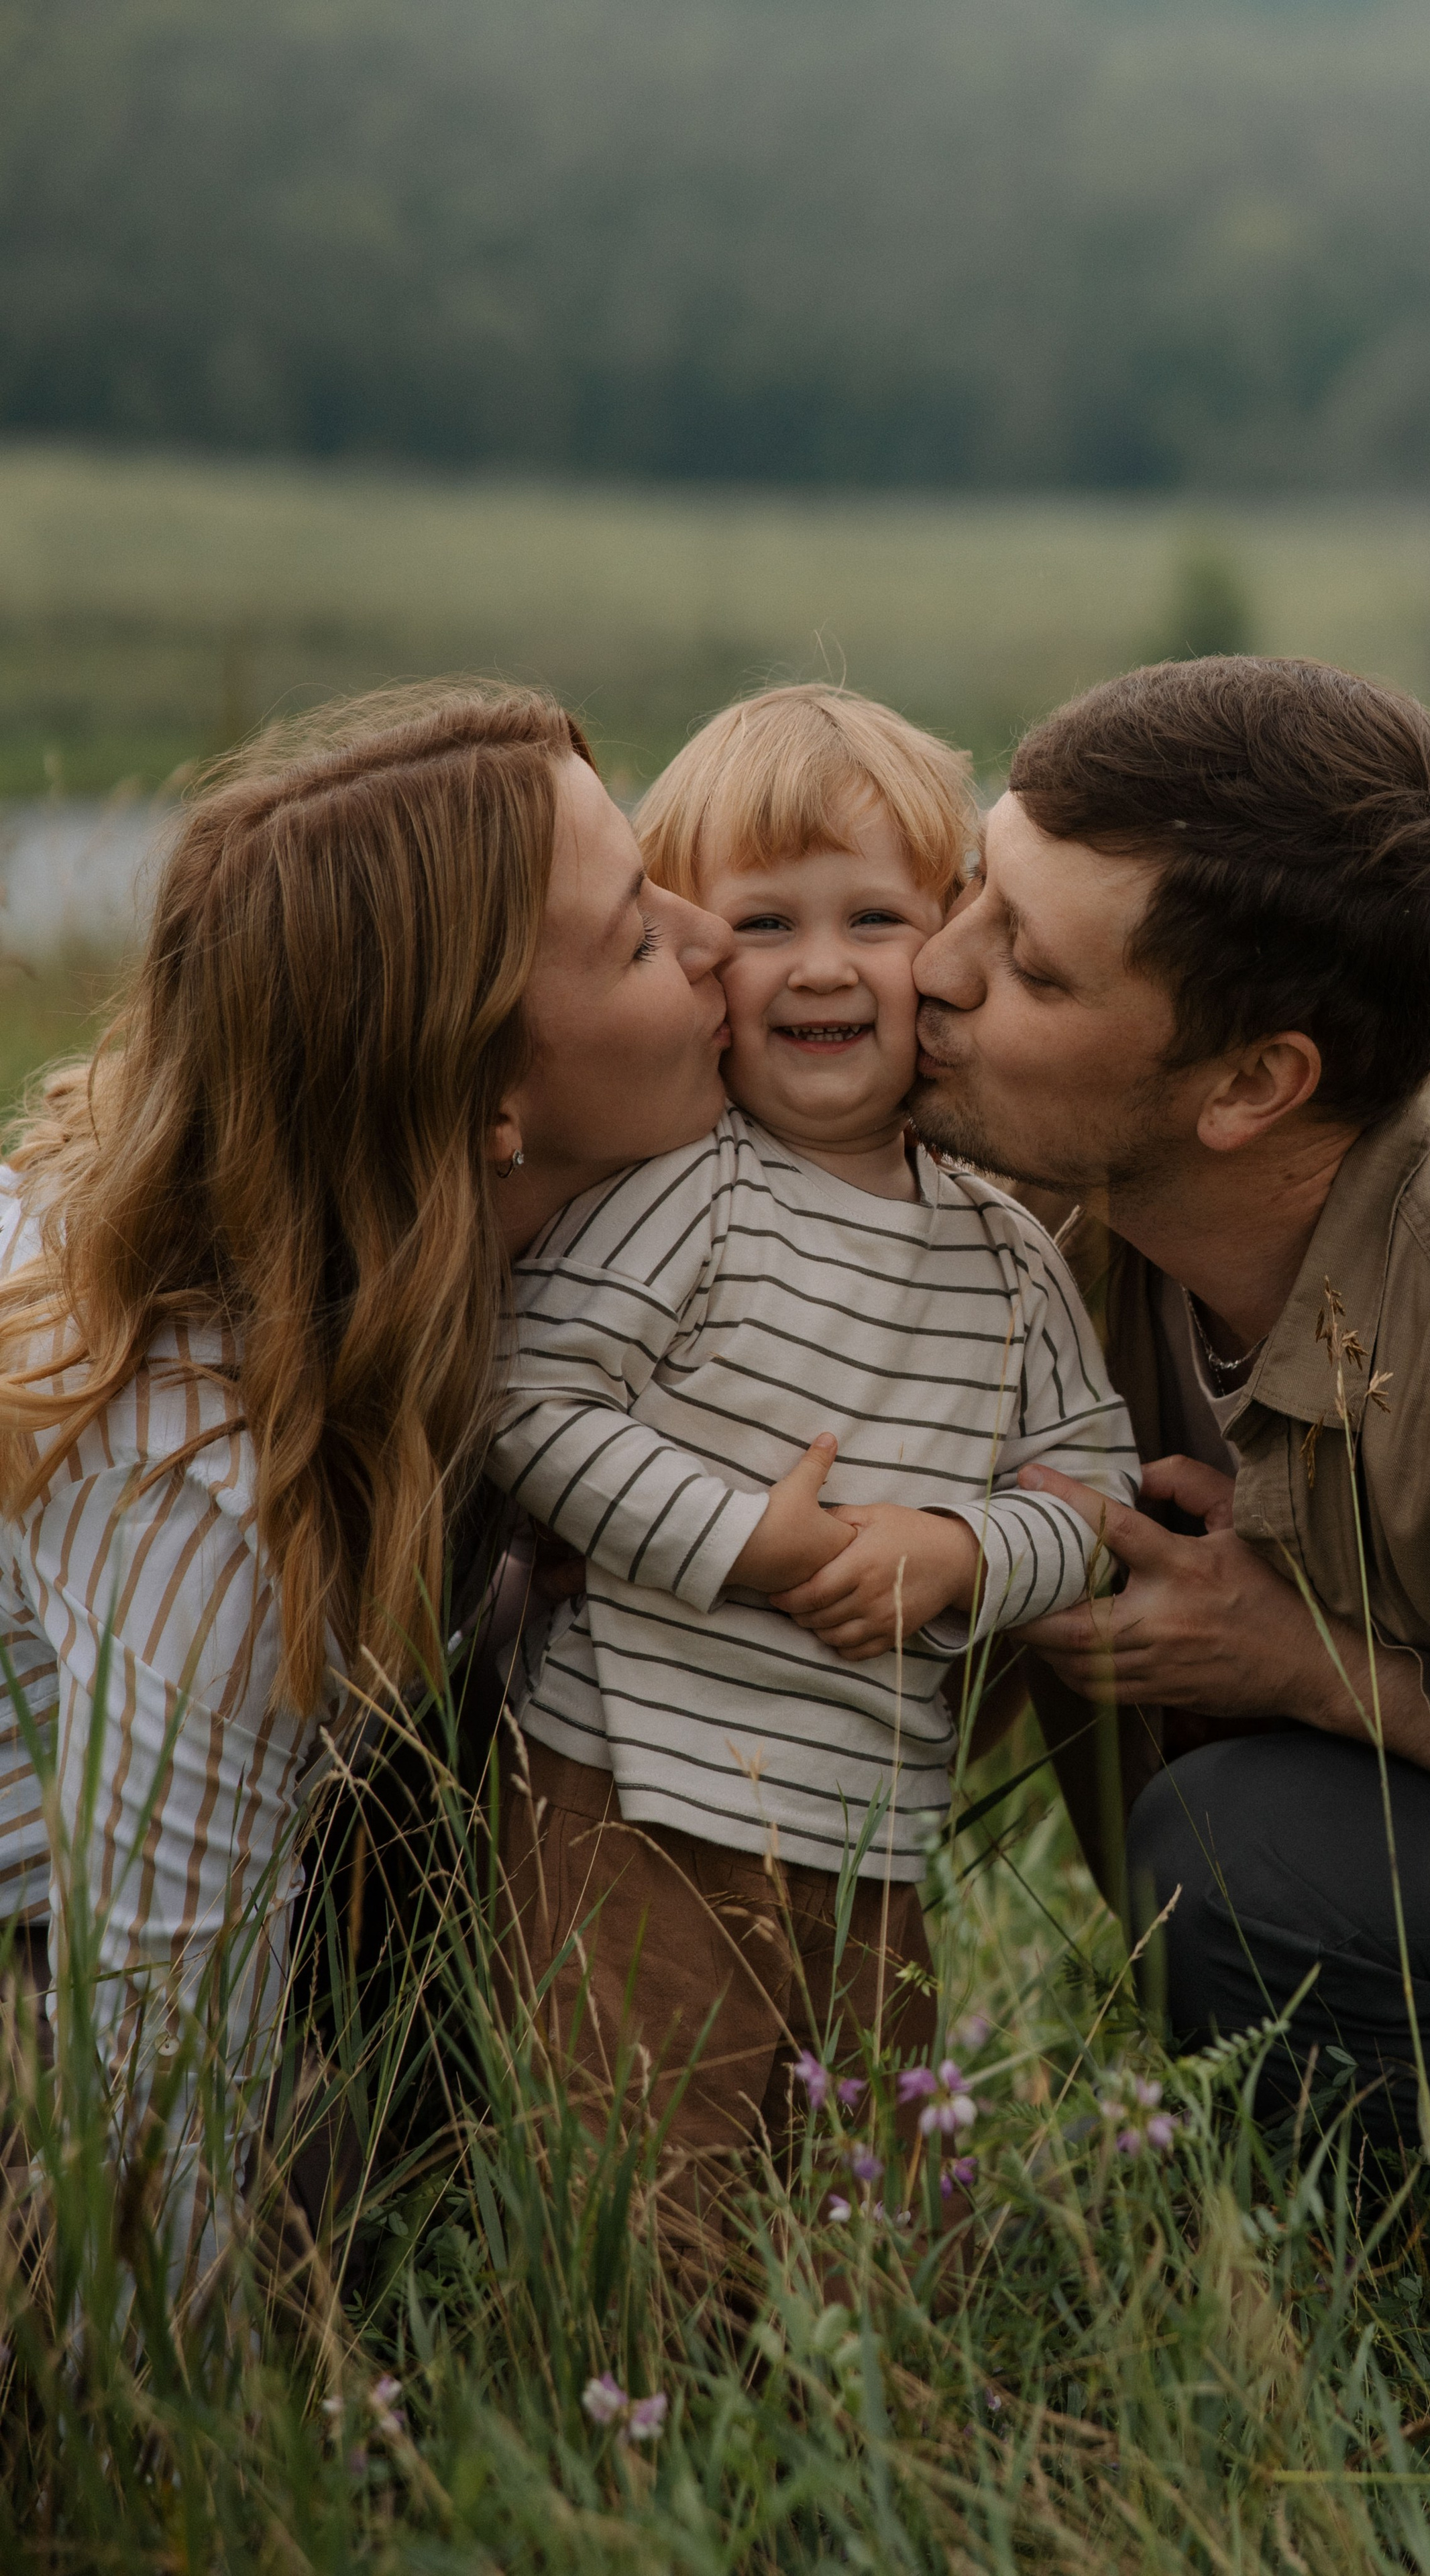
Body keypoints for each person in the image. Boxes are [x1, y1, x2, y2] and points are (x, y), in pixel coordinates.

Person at [908, 653, 1430, 2156]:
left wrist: (1326, 1676)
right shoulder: (1067, 1182)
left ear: (1251, 1087)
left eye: (1026, 964)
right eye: (969, 887)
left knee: (1245, 1862)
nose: (931, 970)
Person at [0, 682, 733, 2277]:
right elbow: (150, 2104)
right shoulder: (201, 1487)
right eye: (632, 940)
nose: (716, 937)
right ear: (480, 1103)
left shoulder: (399, 1251)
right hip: (52, 1980)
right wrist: (208, 2479)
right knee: (325, 2223)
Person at [489, 685, 1136, 2245]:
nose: (825, 966)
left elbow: (1094, 1496)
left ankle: (845, 2433)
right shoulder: (684, 1195)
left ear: (951, 943)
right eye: (762, 924)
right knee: (647, 2169)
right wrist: (747, 1543)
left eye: (875, 917)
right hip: (627, 1794)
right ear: (699, 963)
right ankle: (623, 2431)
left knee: (856, 2185)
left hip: (870, 1829)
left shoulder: (1002, 1247)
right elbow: (532, 1402)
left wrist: (964, 1557)